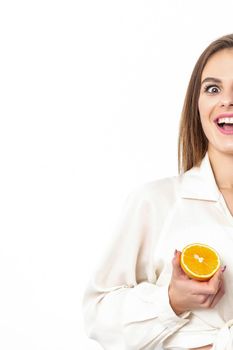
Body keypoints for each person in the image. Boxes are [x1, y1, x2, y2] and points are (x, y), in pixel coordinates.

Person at [82, 33, 233, 350]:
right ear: (198, 104)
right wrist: (171, 301)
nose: (227, 100)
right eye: (213, 88)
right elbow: (98, 315)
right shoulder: (156, 202)